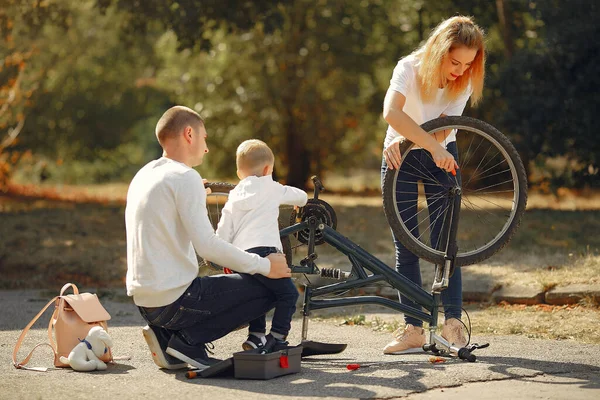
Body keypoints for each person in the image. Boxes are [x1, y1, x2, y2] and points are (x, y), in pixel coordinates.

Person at [125, 106, 291, 371]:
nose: (206, 147)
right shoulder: (184, 177)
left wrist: (193, 195)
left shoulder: (145, 175)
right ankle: (187, 342)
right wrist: (266, 266)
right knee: (271, 288)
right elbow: (208, 248)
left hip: (146, 303)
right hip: (174, 301)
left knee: (235, 283)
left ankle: (167, 336)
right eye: (204, 138)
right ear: (189, 134)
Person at [380, 16, 486, 354]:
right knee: (406, 243)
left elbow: (445, 127)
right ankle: (412, 329)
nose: (460, 70)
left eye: (468, 64)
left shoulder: (463, 81)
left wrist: (429, 145)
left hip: (440, 151)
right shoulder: (408, 68)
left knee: (445, 243)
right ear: (439, 50)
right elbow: (391, 113)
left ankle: (453, 324)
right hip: (399, 156)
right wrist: (408, 141)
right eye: (455, 61)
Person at [215, 139, 308, 353]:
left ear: (239, 173)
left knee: (256, 292)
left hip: (241, 257)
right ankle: (277, 337)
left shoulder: (234, 196)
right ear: (268, 169)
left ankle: (256, 336)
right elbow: (301, 196)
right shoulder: (271, 187)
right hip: (266, 254)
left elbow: (222, 232)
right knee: (288, 295)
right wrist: (299, 201)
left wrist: (226, 258)